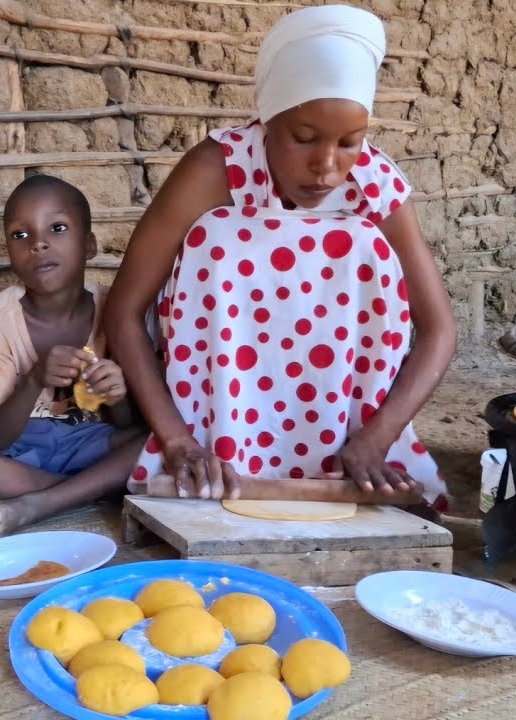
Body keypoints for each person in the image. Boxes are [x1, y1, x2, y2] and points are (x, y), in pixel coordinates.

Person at [103, 5, 455, 510]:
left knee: (360, 240)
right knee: (223, 230)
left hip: (343, 428)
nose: (327, 167)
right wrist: (177, 439)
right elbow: (123, 309)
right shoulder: (214, 171)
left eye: (351, 143)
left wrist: (379, 437)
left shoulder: (375, 185)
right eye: (304, 138)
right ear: (269, 120)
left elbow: (440, 329)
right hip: (214, 427)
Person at [0, 175, 147, 539]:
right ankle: (83, 493)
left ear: (89, 244)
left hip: (94, 445)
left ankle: (39, 503)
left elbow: (126, 426)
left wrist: (118, 397)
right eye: (20, 235)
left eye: (57, 228)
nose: (38, 243)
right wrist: (33, 378)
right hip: (22, 452)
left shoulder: (116, 308)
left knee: (157, 440)